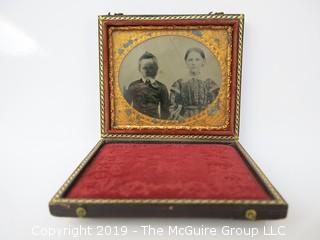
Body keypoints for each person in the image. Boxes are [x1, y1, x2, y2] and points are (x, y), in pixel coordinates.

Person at [169, 47, 220, 120]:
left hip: (205, 119)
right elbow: (172, 107)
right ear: (186, 62)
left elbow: (217, 106)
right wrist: (181, 118)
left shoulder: (209, 84)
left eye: (197, 59)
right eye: (190, 60)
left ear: (203, 61)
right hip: (184, 119)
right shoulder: (179, 84)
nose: (193, 63)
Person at [125, 51, 170, 119]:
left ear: (156, 69)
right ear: (139, 69)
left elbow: (165, 113)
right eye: (144, 68)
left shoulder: (162, 88)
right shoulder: (133, 86)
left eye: (151, 67)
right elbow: (125, 109)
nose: (147, 71)